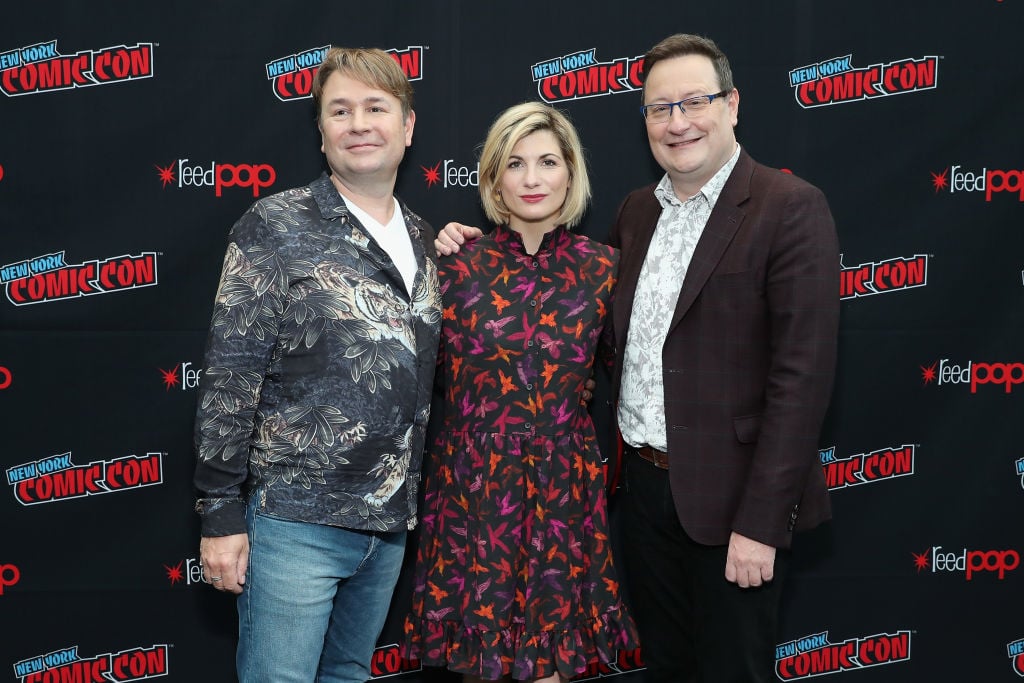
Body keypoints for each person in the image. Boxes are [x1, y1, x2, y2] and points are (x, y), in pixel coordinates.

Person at [436, 33, 839, 683]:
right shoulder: (635, 214)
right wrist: (465, 247)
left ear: (732, 105)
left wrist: (762, 524)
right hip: (642, 497)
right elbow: (574, 333)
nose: (678, 122)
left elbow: (803, 380)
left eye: (694, 102)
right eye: (660, 108)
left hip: (733, 507)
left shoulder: (789, 208)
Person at [192, 47, 441, 683]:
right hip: (293, 523)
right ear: (322, 130)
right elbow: (230, 375)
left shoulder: (425, 239)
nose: (359, 124)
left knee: (348, 676)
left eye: (376, 108)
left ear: (407, 126)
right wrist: (220, 512)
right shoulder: (275, 224)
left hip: (389, 526)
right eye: (340, 110)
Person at [402, 101, 639, 683]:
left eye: (548, 162)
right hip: (474, 492)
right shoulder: (452, 266)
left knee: (551, 668)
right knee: (482, 664)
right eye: (515, 163)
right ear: (494, 180)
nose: (532, 178)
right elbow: (413, 379)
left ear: (570, 174)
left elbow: (634, 374)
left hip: (563, 494)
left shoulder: (605, 269)